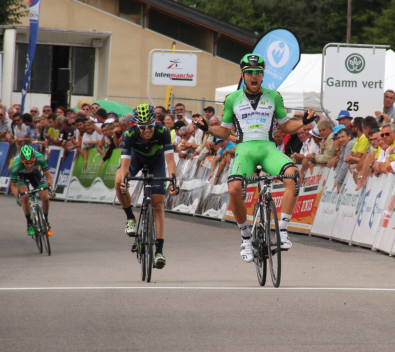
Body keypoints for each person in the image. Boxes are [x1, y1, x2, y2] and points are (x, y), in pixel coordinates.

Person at [193, 53, 315, 262]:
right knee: (234, 189)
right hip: (245, 151)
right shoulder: (232, 99)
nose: (254, 76)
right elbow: (225, 130)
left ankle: (283, 230)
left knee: (293, 176)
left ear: (263, 74)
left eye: (258, 72)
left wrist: (303, 121)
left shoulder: (274, 96)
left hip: (269, 150)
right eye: (250, 73)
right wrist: (209, 129)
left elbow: (285, 126)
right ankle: (245, 237)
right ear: (243, 75)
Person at [115, 103, 178, 269]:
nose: (147, 130)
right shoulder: (129, 134)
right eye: (143, 127)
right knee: (118, 179)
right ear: (136, 125)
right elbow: (125, 166)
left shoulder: (163, 131)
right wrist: (123, 182)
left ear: (154, 122)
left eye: (150, 125)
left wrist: (173, 182)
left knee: (158, 205)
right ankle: (130, 218)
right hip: (136, 159)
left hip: (156, 162)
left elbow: (170, 162)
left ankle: (159, 251)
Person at [10, 145, 55, 236]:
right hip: (20, 176)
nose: (30, 165)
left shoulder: (40, 158)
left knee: (45, 198)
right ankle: (29, 223)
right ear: (22, 161)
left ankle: (45, 221)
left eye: (32, 162)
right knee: (25, 196)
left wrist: (51, 189)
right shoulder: (15, 165)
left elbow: (48, 176)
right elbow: (13, 186)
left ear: (34, 158)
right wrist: (18, 197)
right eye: (27, 163)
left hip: (34, 174)